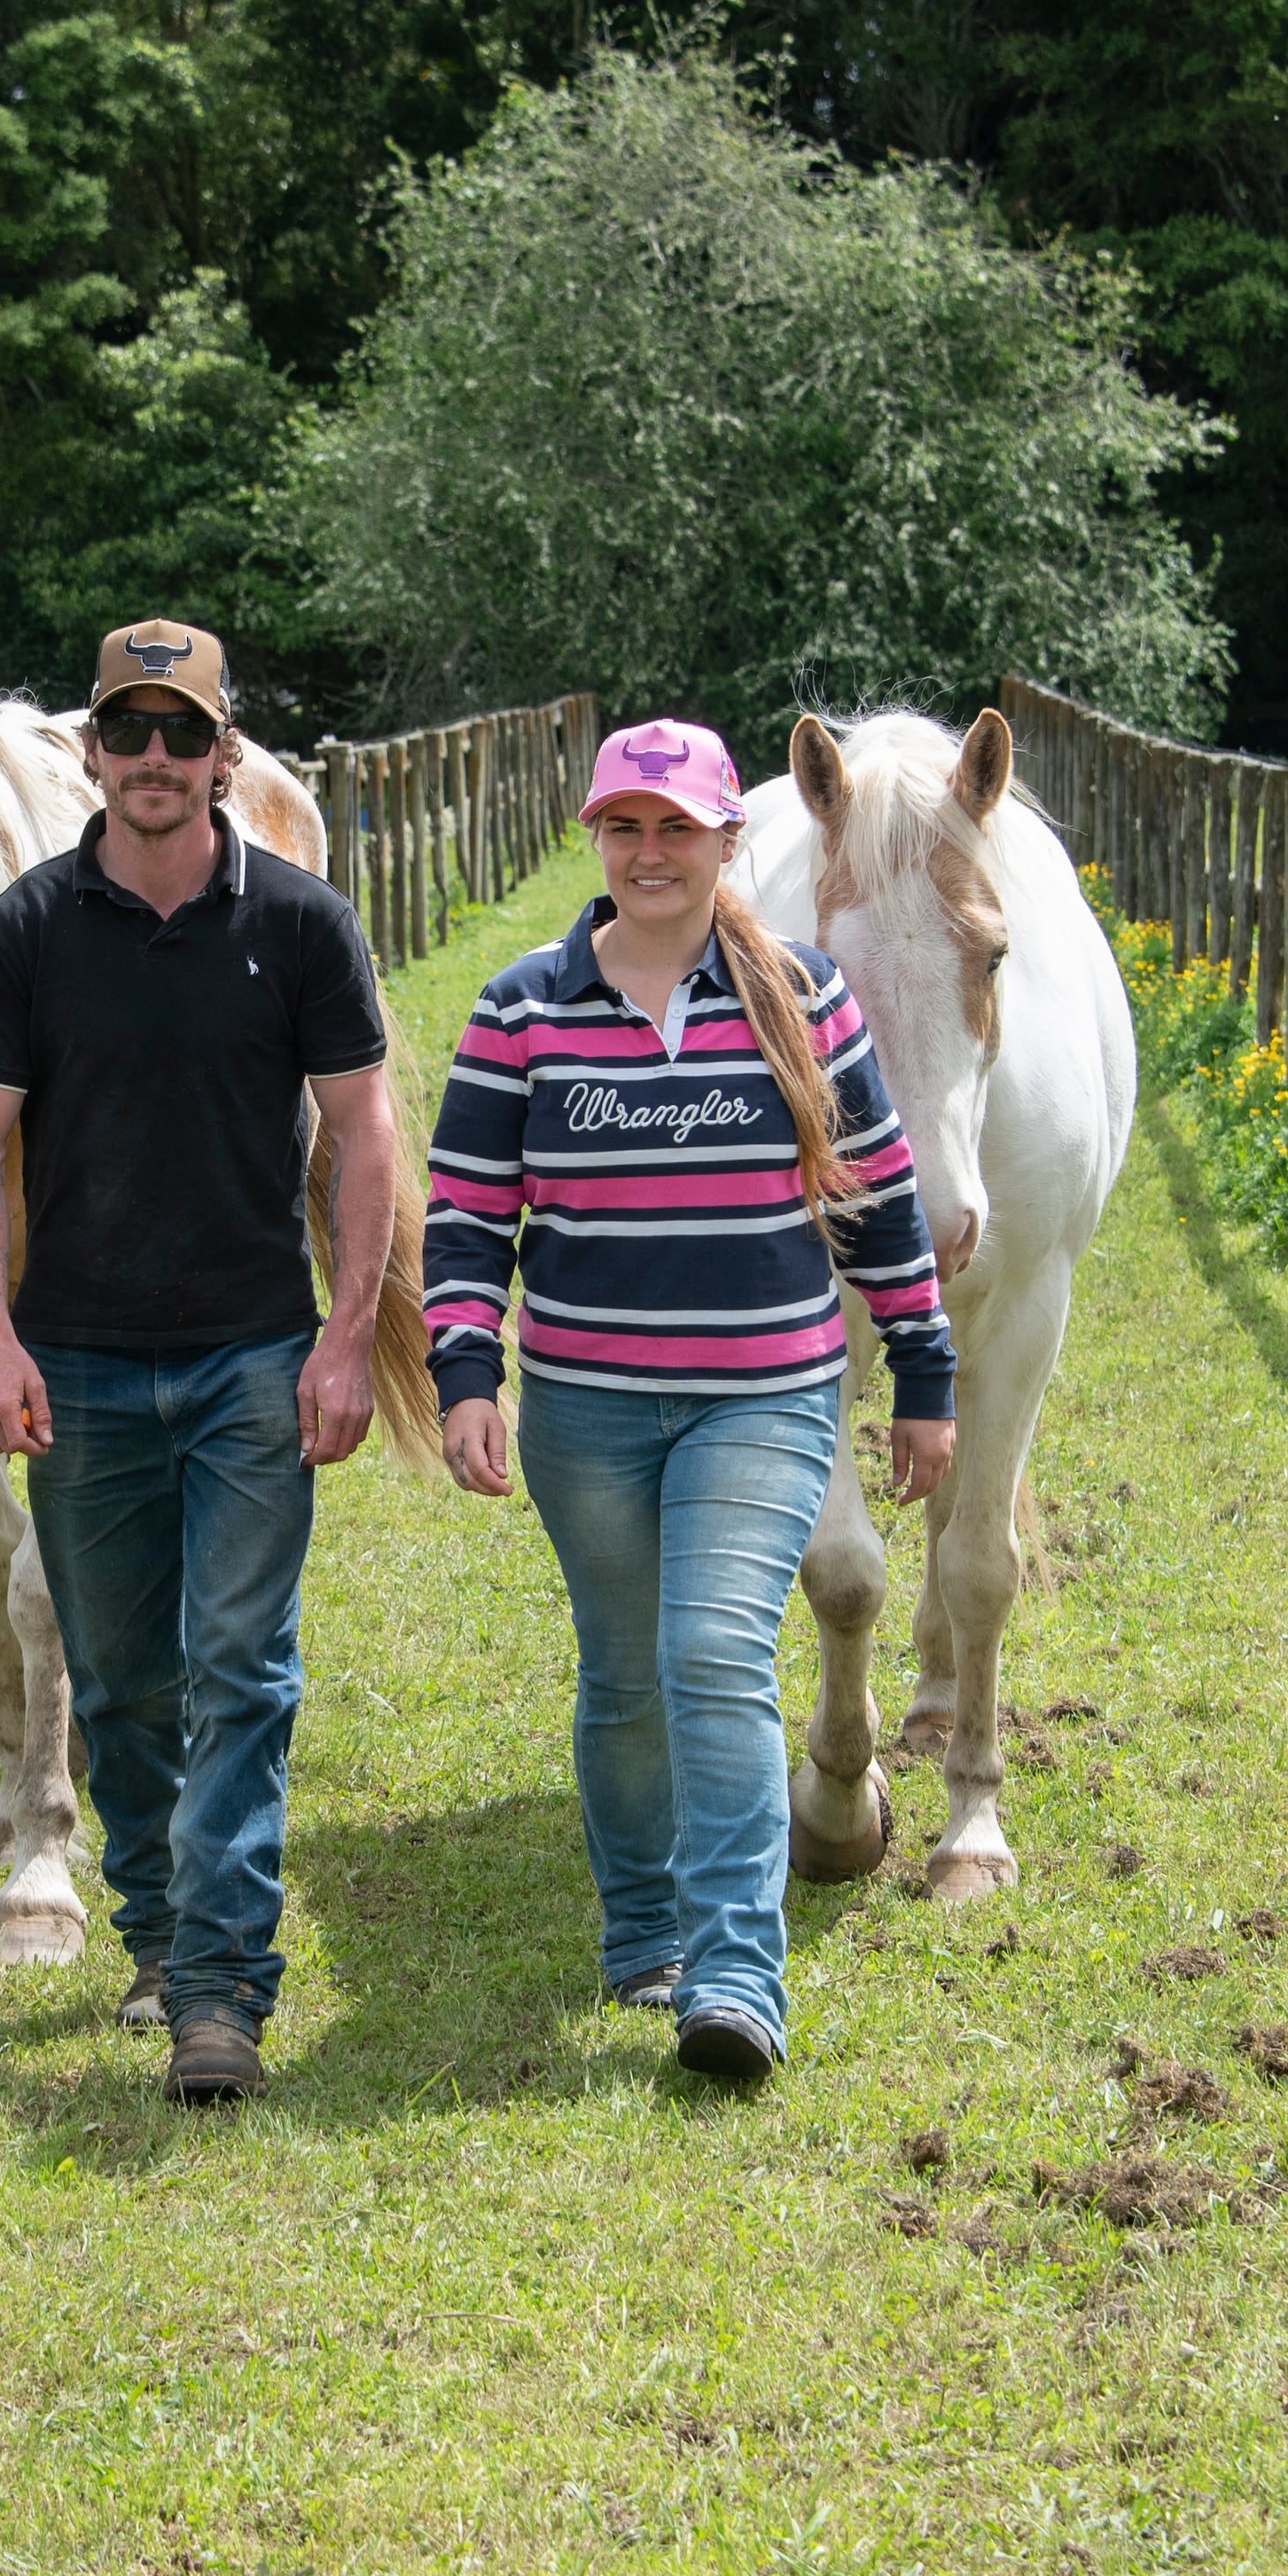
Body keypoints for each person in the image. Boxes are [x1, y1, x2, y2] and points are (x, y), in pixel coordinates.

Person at [421, 718, 956, 2085]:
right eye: (625, 826)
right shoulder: (520, 1008)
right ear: (598, 841)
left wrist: (922, 1370)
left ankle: (733, 1969)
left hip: (763, 1398)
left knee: (713, 1652)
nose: (650, 852)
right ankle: (643, 1926)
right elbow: (472, 1218)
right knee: (622, 1675)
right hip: (588, 1408)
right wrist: (466, 1373)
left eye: (679, 828)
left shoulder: (809, 999)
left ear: (728, 843)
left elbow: (881, 1198)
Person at [0, 621, 401, 2103]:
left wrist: (343, 1341)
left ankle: (218, 1986)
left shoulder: (306, 925)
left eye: (182, 734)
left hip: (252, 1362)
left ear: (226, 754)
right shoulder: (22, 931)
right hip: (78, 1366)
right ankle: (154, 1922)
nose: (155, 761)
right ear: (93, 750)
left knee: (241, 1669)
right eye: (128, 732)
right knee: (129, 1685)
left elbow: (367, 1137)